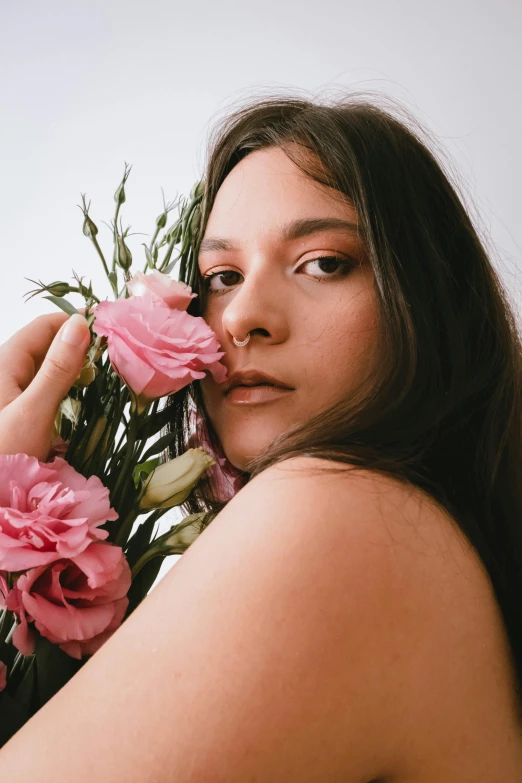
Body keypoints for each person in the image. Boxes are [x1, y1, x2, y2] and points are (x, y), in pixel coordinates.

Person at [0, 92, 521, 781]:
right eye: (222, 277)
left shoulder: (342, 515)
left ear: (428, 297)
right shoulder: (423, 538)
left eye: (324, 262)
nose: (242, 316)